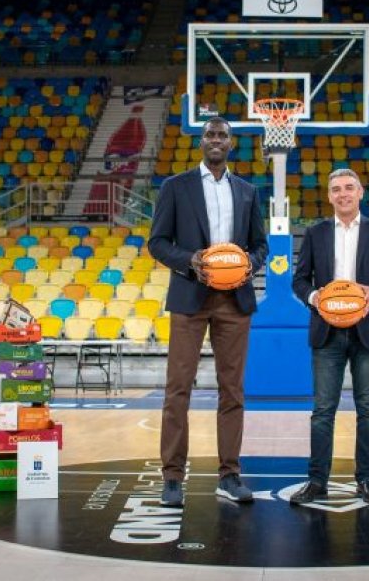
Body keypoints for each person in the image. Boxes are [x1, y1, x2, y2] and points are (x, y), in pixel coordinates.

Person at [148, 117, 269, 507]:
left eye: (223, 135)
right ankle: (172, 478)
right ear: (201, 142)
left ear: (231, 143)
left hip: (234, 300)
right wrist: (190, 260)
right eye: (210, 135)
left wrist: (249, 264)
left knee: (232, 390)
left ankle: (229, 475)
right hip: (190, 297)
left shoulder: (247, 191)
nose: (216, 140)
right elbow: (157, 243)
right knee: (178, 389)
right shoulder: (175, 187)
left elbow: (261, 246)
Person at [291, 168, 369, 505]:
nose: (342, 194)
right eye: (336, 189)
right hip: (327, 332)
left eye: (348, 188)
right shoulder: (315, 233)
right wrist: (316, 298)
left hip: (367, 330)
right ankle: (317, 481)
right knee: (322, 411)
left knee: (368, 410)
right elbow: (300, 280)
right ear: (329, 196)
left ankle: (366, 480)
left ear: (360, 192)